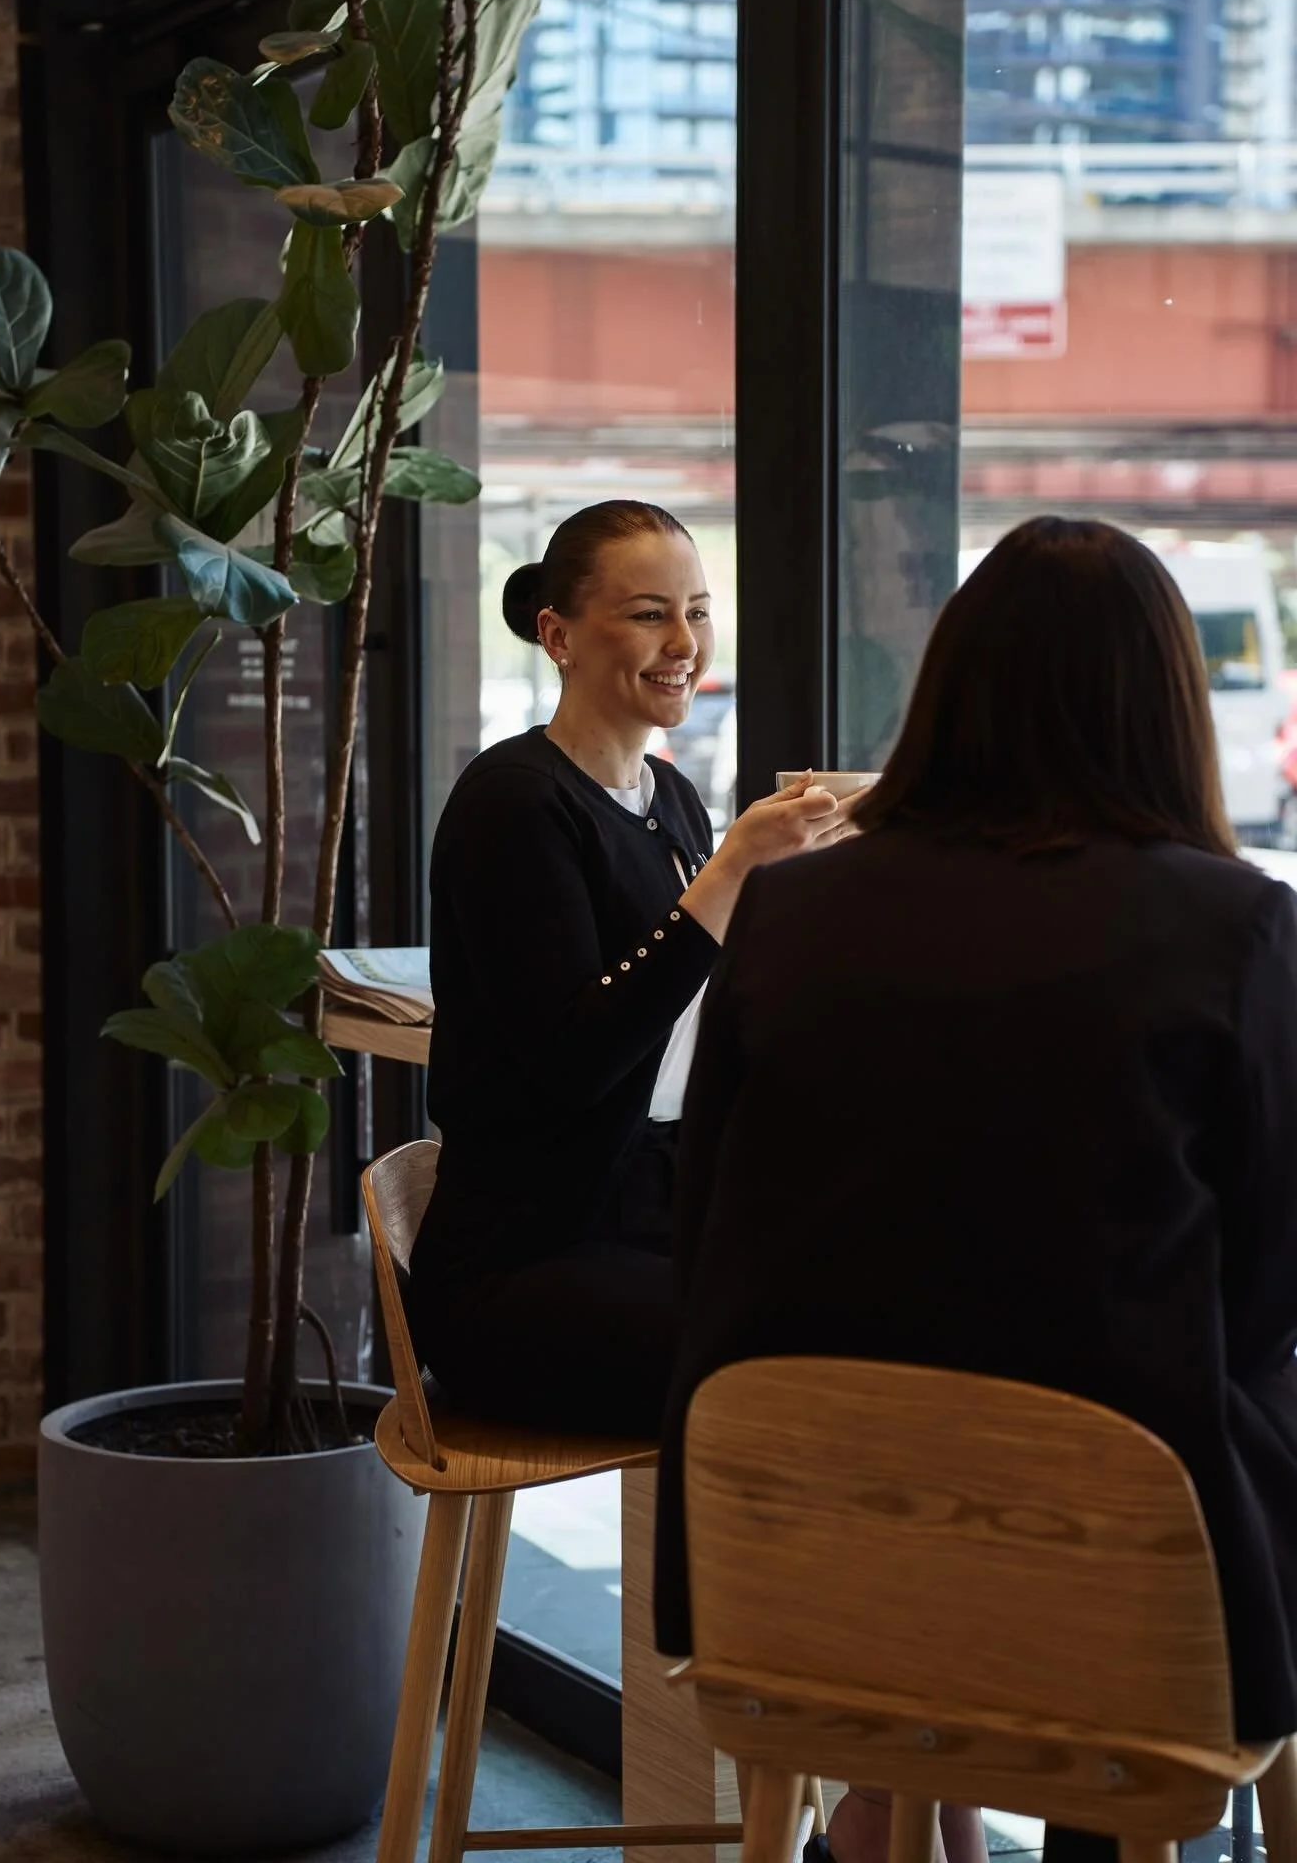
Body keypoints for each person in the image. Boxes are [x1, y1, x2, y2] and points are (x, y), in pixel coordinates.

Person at [653, 516, 1297, 1863]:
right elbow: (1266, 1281)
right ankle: (1099, 1809)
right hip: (1116, 1568)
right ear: (1166, 703)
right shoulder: (1230, 924)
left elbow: (708, 1208)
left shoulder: (792, 911)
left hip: (788, 1553)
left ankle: (885, 1802)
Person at [406, 499, 852, 1433]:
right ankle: (737, 1584)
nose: (683, 641)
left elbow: (698, 1023)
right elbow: (578, 1060)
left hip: (650, 1223)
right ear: (558, 634)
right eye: (650, 613)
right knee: (787, 1366)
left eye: (696, 609)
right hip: (525, 1264)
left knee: (895, 1299)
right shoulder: (514, 805)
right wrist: (729, 871)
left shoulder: (673, 798)